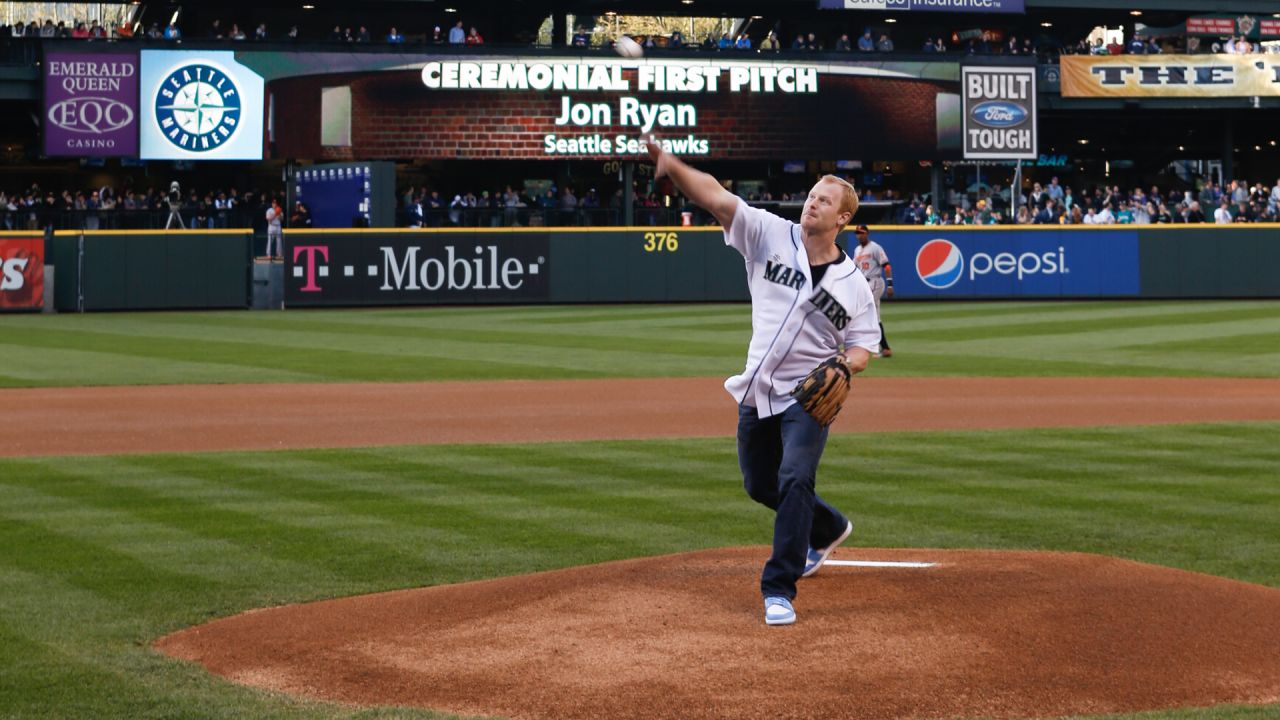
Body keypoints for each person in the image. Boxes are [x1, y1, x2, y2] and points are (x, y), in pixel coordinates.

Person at [643, 134, 879, 627]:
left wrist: (845, 366)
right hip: (756, 390)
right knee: (760, 485)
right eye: (812, 195)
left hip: (808, 400)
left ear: (842, 220)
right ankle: (830, 525)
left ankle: (779, 589)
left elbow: (864, 343)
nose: (812, 203)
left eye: (825, 201)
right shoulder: (770, 235)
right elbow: (714, 195)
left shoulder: (854, 284)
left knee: (795, 477)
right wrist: (671, 164)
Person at [852, 225, 894, 358]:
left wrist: (890, 284)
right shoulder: (857, 250)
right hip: (864, 283)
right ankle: (884, 348)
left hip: (875, 282)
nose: (859, 235)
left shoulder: (875, 247)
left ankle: (867, 346)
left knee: (862, 310)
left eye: (862, 233)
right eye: (857, 233)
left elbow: (886, 265)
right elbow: (854, 268)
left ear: (867, 234)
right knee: (874, 316)